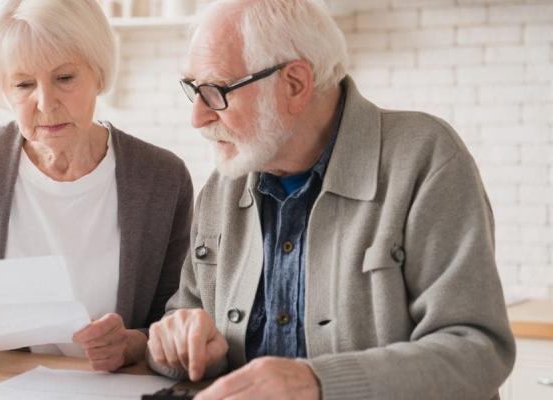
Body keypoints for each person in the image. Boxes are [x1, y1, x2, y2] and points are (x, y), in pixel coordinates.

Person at [146, 1, 515, 399]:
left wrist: (317, 383)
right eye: (193, 90)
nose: (198, 117)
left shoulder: (424, 157)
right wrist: (179, 344)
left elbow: (477, 351)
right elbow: (184, 319)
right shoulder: (224, 184)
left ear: (295, 84)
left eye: (216, 90)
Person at [0, 0, 193, 372]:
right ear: (4, 91)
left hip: (112, 388)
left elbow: (177, 318)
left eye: (64, 78)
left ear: (98, 73)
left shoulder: (162, 177)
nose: (45, 103)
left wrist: (132, 345)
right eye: (24, 84)